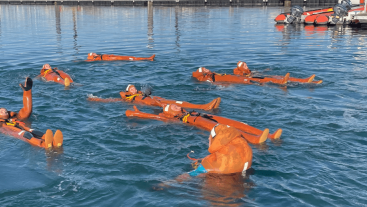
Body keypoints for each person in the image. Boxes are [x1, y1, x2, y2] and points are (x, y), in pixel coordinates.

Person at [126, 103, 281, 144]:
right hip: (199, 122)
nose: (177, 107)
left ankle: (269, 135)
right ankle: (254, 139)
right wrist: (136, 113)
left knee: (236, 122)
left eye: (176, 105)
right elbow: (154, 117)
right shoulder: (171, 118)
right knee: (225, 128)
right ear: (169, 112)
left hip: (204, 116)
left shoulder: (186, 111)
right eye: (174, 107)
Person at [0, 77, 63, 149]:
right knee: (25, 134)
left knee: (32, 130)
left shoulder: (15, 118)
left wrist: (27, 91)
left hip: (23, 128)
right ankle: (43, 145)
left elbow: (27, 110)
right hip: (11, 131)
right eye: (1, 111)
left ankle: (52, 141)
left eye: (5, 110)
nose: (4, 111)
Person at [88, 84, 220, 111]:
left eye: (134, 87)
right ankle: (203, 108)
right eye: (131, 88)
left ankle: (202, 106)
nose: (134, 89)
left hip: (158, 99)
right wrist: (96, 99)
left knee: (178, 101)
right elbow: (112, 100)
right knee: (173, 107)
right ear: (128, 91)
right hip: (152, 104)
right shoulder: (127, 98)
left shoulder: (140, 93)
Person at [232, 61, 321, 84]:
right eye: (245, 66)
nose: (247, 66)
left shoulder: (249, 71)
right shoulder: (241, 74)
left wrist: (264, 70)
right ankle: (281, 82)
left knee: (278, 76)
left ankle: (305, 80)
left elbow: (255, 72)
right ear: (241, 68)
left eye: (246, 64)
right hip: (258, 79)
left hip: (261, 76)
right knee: (273, 79)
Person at [193, 67, 290, 85]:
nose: (207, 69)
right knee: (254, 82)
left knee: (256, 79)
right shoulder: (208, 78)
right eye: (204, 69)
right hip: (236, 81)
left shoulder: (213, 74)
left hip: (236, 78)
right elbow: (215, 83)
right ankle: (279, 83)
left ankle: (280, 81)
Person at [86, 52, 155, 61]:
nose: (95, 53)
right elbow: (87, 61)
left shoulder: (96, 56)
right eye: (93, 54)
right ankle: (148, 58)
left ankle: (148, 58)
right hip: (111, 58)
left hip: (112, 56)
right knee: (131, 58)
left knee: (131, 57)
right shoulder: (93, 59)